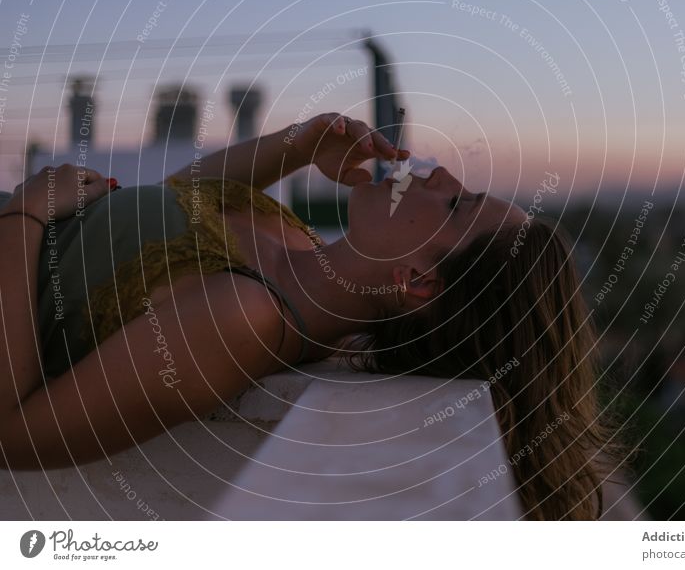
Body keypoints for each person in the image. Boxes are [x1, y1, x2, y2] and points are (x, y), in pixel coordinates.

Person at [0, 112, 622, 520]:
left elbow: (17, 435)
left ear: (417, 281)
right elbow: (169, 204)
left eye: (456, 204)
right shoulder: (300, 254)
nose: (440, 173)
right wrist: (295, 146)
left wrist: (25, 218)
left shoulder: (245, 316)